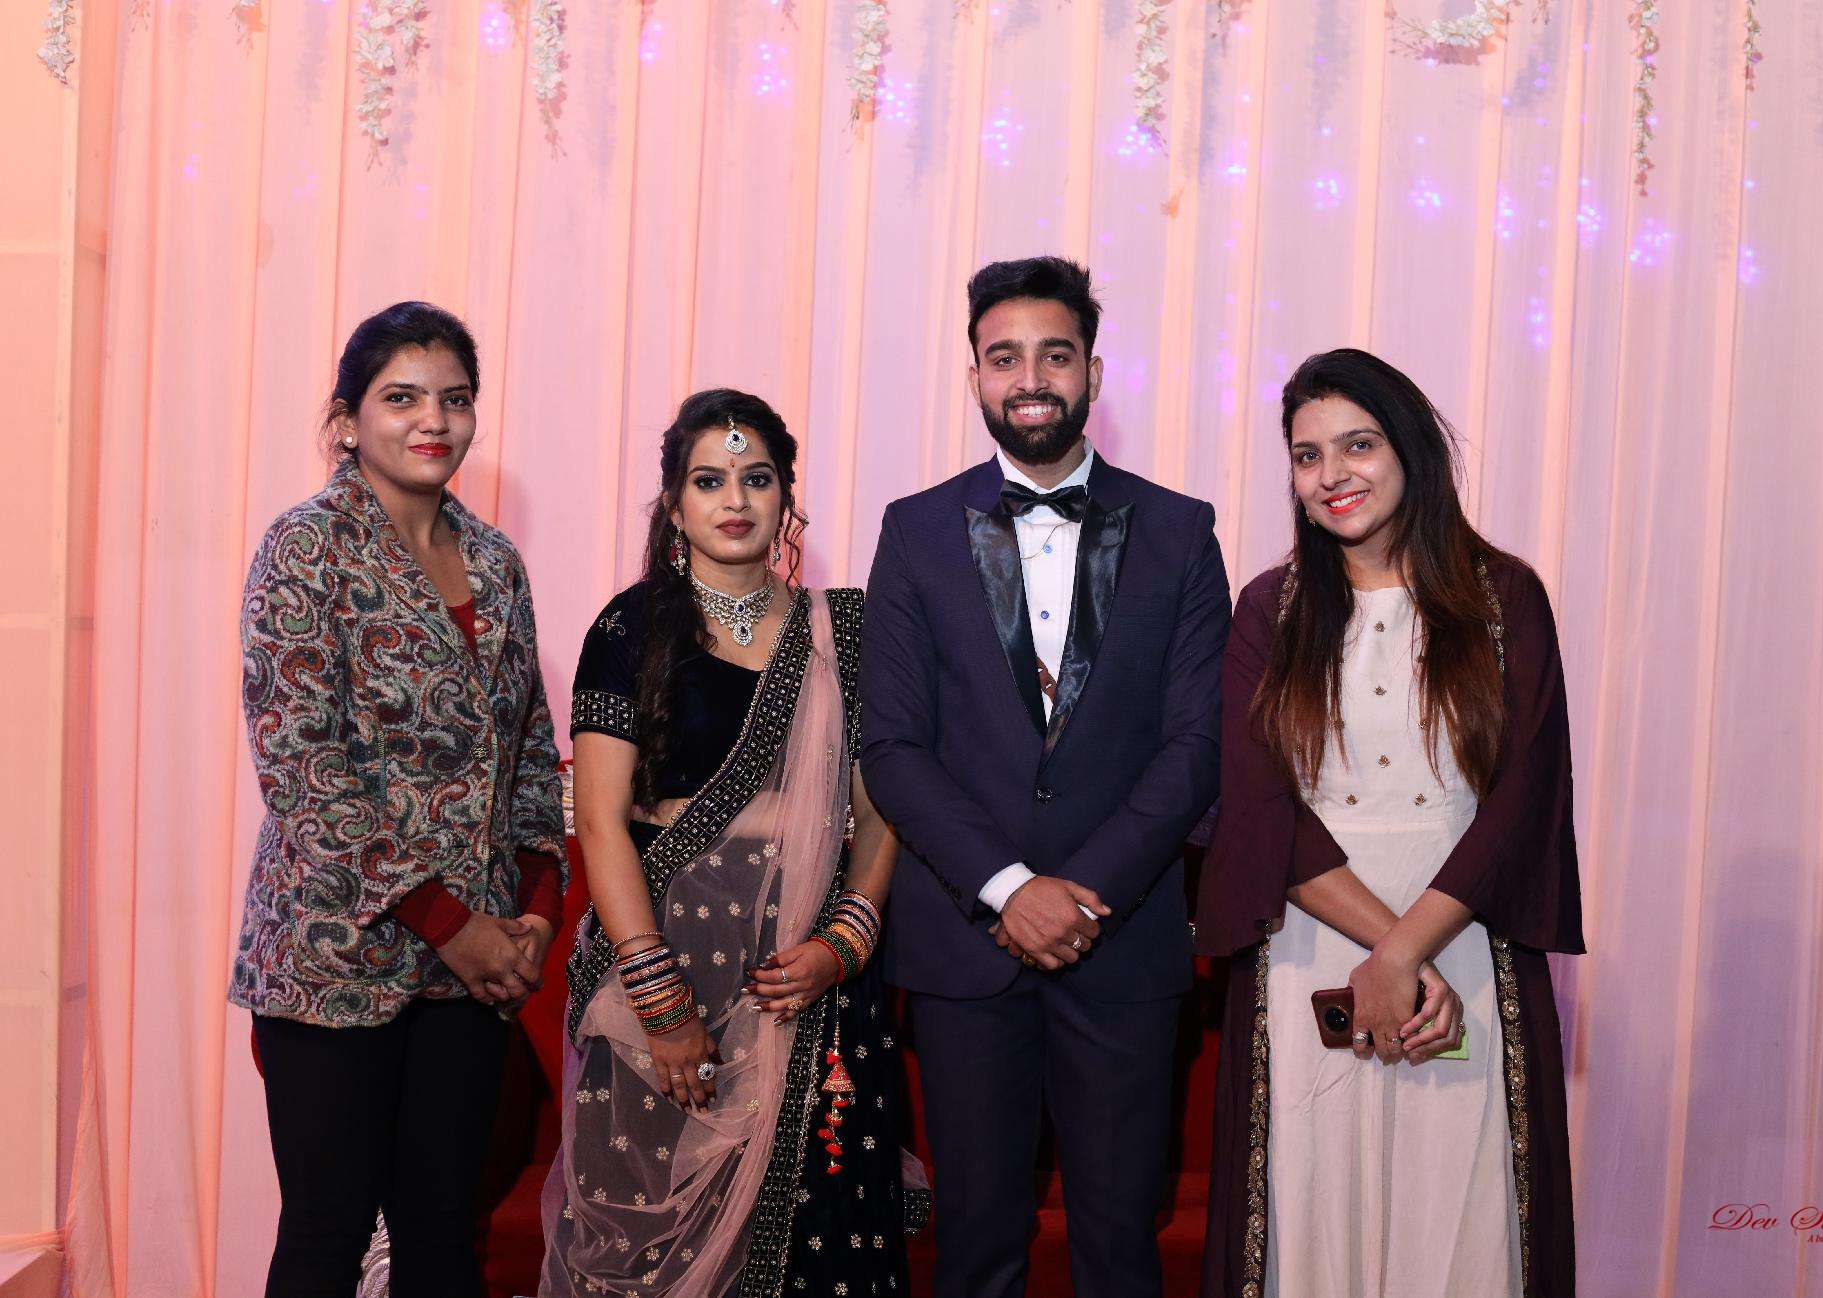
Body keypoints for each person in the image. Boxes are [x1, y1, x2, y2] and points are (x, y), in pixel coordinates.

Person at [860, 256, 1229, 1298]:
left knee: (1121, 1245)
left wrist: (1082, 892)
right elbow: (893, 746)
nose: (1030, 378)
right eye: (1004, 356)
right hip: (965, 947)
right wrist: (1009, 888)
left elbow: (1196, 746)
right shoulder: (914, 529)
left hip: (1125, 944)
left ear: (1093, 373)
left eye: (1054, 355)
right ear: (975, 375)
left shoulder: (1181, 530)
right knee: (976, 1244)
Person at [1195, 348, 1585, 1297]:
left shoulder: (1504, 599)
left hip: (1465, 945)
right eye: (1307, 455)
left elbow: (1522, 801)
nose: (1332, 474)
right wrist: (1391, 956)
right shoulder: (1270, 610)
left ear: (1410, 447)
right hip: (1310, 950)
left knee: (1457, 1209)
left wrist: (1410, 954)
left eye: (1358, 445)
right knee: (1313, 1204)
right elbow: (1260, 808)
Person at [540, 388, 925, 1298]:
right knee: (645, 1252)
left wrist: (845, 941)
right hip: (667, 976)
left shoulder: (848, 633)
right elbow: (601, 822)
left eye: (757, 478)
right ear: (675, 506)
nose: (736, 499)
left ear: (787, 496)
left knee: (816, 1249)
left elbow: (882, 810)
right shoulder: (629, 629)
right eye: (709, 481)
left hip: (813, 984)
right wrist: (657, 999)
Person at [229, 301, 568, 1297]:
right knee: (326, 1234)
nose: (434, 420)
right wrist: (448, 923)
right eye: (403, 397)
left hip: (476, 968)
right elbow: (304, 767)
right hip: (337, 956)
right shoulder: (305, 548)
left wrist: (535, 909)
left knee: (444, 1238)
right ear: (348, 419)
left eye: (455, 399)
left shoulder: (496, 561)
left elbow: (528, 750)